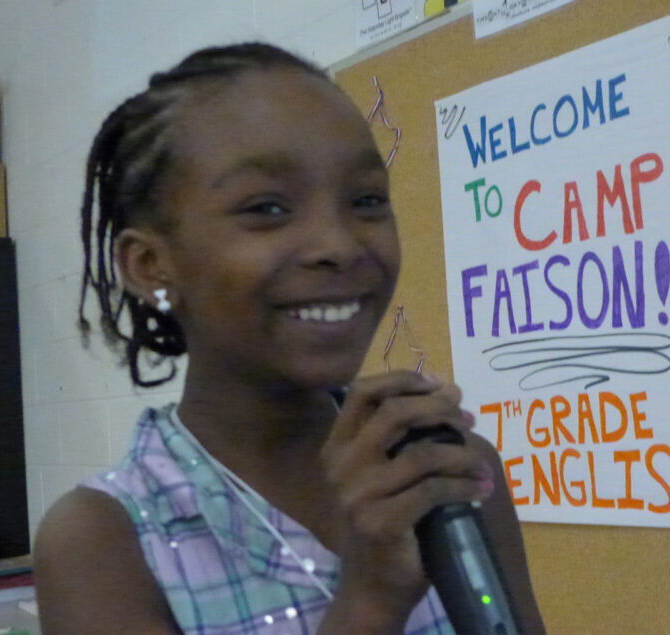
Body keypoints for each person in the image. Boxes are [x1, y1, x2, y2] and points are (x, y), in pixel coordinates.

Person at [33, 43, 544, 634]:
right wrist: (371, 597)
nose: (339, 244)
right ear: (150, 265)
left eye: (366, 200)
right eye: (268, 207)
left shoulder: (444, 470)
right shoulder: (102, 539)